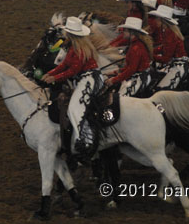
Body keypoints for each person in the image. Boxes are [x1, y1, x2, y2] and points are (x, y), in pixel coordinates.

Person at [41, 17, 100, 158]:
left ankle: (86, 139)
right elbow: (64, 65)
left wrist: (54, 78)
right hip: (85, 79)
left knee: (75, 107)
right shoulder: (75, 48)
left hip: (90, 79)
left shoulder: (79, 50)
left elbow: (72, 71)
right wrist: (49, 73)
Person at [105, 17, 152, 97]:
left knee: (118, 100)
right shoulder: (135, 44)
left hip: (138, 79)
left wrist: (114, 80)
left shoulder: (136, 48)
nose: (123, 32)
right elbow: (130, 67)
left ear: (132, 33)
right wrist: (116, 72)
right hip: (137, 75)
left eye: (125, 30)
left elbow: (131, 70)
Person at [148, 5, 189, 90]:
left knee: (161, 89)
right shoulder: (166, 31)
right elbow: (164, 47)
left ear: (162, 21)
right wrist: (151, 51)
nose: (155, 21)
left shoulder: (169, 33)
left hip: (178, 66)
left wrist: (150, 56)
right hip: (175, 62)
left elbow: (165, 59)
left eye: (157, 19)